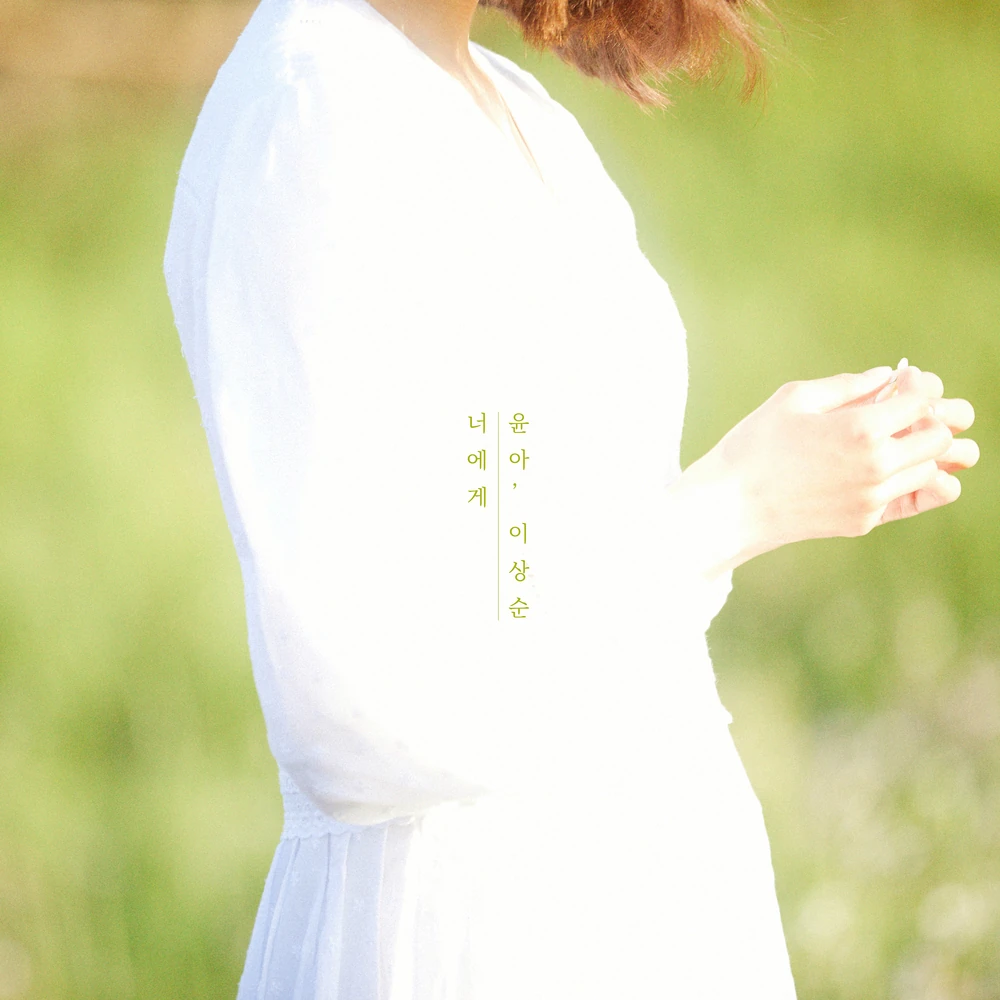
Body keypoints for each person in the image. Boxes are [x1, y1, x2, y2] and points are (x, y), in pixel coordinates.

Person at [162, 0, 979, 995]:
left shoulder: (507, 104)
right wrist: (741, 502)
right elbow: (362, 708)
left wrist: (792, 482)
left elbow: (524, 577)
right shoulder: (314, 114)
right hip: (475, 932)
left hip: (644, 896)